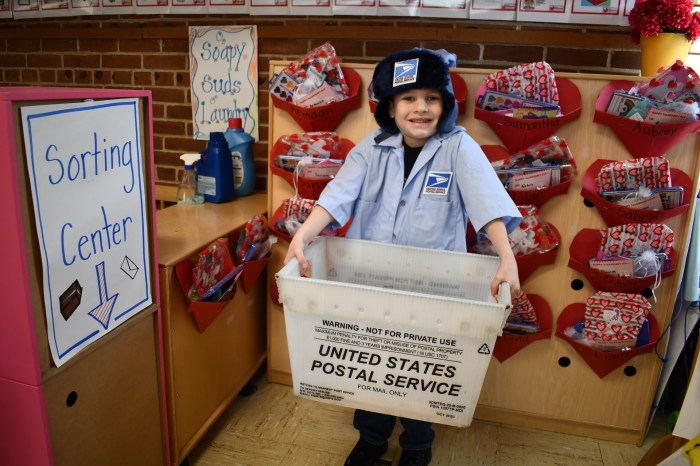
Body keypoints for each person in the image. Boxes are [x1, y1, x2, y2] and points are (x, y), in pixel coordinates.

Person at [284, 48, 522, 466]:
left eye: (431, 98)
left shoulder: (458, 147)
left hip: (436, 284)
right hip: (371, 280)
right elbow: (338, 196)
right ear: (390, 107)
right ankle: (371, 439)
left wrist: (507, 256)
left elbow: (487, 202)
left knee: (425, 367)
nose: (421, 108)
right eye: (408, 98)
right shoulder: (371, 148)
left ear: (445, 105)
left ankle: (417, 445)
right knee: (370, 360)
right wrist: (302, 236)